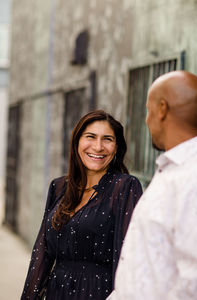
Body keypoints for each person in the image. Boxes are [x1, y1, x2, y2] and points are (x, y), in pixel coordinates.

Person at [21, 110, 143, 300]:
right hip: (57, 292)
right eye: (91, 137)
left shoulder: (125, 187)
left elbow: (129, 256)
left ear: (117, 147)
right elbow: (42, 253)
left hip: (99, 293)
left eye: (107, 139)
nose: (98, 146)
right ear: (77, 141)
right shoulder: (59, 186)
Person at [107, 71, 197, 300]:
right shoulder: (173, 169)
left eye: (147, 111)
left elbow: (194, 283)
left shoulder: (193, 177)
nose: (147, 121)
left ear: (161, 109)